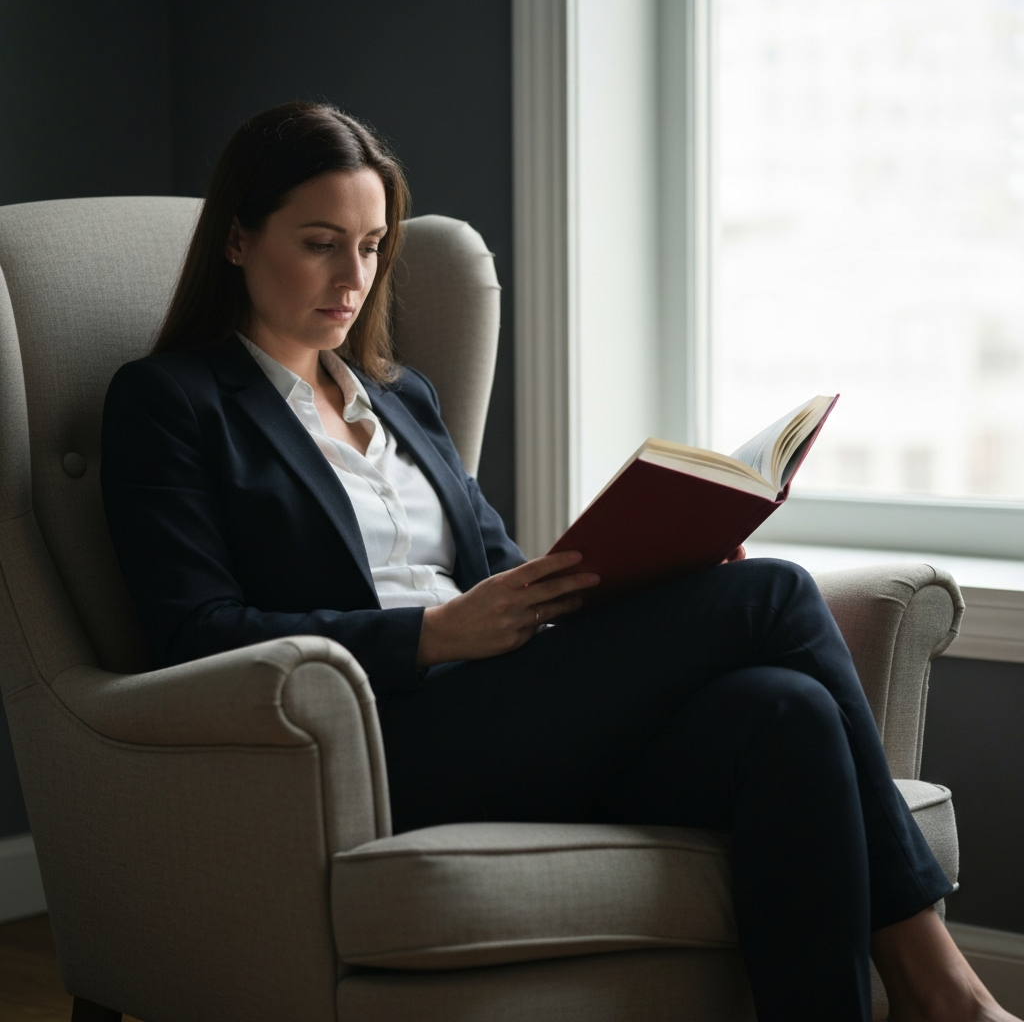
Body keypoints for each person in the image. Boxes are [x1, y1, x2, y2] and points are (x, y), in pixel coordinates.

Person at [100, 101, 1019, 1022]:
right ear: (237, 241)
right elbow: (194, 633)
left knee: (788, 712)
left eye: (373, 245)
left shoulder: (401, 395)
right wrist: (429, 635)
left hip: (515, 709)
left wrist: (664, 567)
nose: (354, 276)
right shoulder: (172, 402)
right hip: (382, 739)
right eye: (320, 243)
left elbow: (506, 573)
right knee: (772, 594)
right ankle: (939, 986)